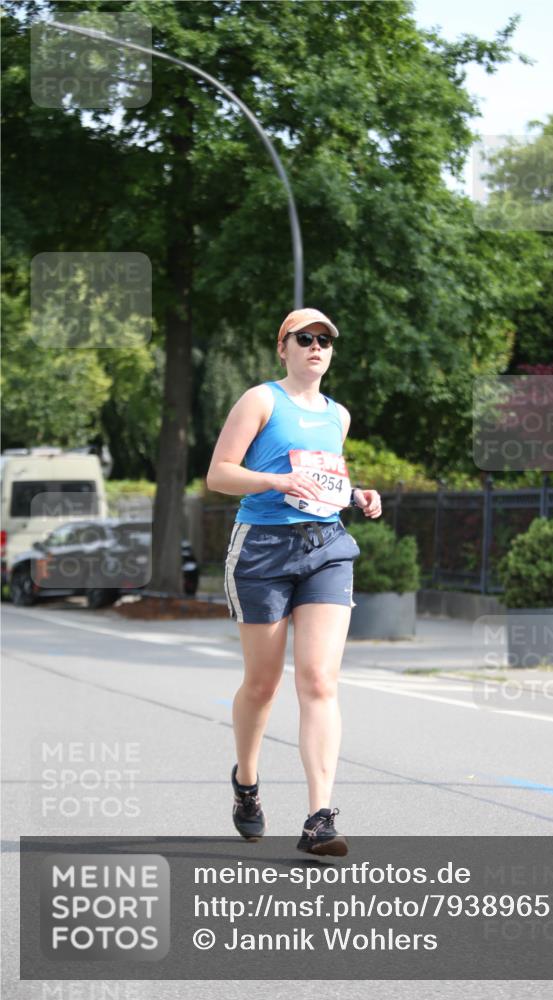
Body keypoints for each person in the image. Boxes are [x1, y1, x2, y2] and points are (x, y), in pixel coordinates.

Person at [206, 307, 381, 856]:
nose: (315, 346)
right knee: (263, 684)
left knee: (319, 680)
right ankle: (248, 783)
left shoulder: (338, 415)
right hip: (262, 549)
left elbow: (324, 481)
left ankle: (319, 819)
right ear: (282, 347)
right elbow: (219, 474)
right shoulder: (261, 400)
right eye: (303, 338)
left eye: (325, 339)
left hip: (326, 548)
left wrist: (356, 496)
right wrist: (275, 480)